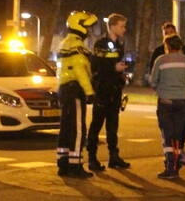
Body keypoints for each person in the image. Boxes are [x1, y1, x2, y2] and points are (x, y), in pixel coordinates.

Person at [56, 10, 98, 179]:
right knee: (79, 129)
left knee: (66, 127)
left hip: (65, 89)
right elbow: (80, 70)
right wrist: (89, 92)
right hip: (75, 90)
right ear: (80, 27)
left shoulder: (65, 42)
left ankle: (63, 163)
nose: (89, 30)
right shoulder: (77, 45)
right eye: (88, 27)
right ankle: (75, 165)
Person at [149, 22, 185, 164]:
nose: (169, 35)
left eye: (171, 33)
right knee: (175, 130)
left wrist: (159, 91)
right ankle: (175, 158)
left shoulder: (167, 56)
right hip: (182, 97)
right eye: (167, 33)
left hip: (169, 98)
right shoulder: (160, 52)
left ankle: (171, 161)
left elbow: (152, 79)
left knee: (170, 130)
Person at [86, 13, 130, 171]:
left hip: (115, 89)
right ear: (112, 26)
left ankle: (114, 157)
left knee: (113, 125)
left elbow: (118, 63)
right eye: (121, 26)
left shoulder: (120, 44)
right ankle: (92, 158)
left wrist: (122, 74)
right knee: (97, 124)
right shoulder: (100, 44)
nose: (124, 29)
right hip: (103, 89)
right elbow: (95, 66)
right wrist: (114, 68)